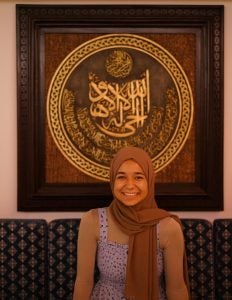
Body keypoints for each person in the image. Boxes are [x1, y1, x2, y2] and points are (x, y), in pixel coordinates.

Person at [73, 146, 190, 300]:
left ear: (149, 180)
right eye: (121, 177)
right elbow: (83, 282)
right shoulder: (92, 221)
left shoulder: (168, 228)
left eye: (138, 177)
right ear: (112, 180)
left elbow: (176, 289)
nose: (129, 185)